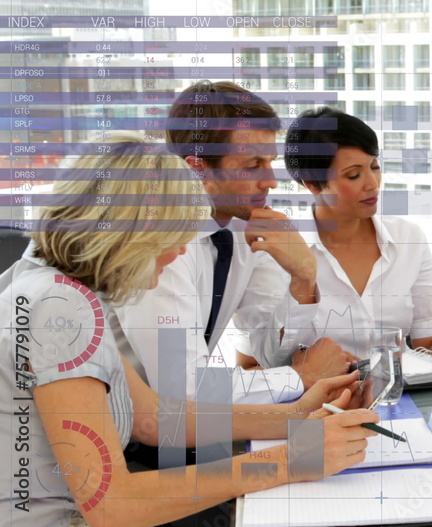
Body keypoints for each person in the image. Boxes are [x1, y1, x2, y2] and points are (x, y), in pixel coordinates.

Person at [0, 133, 378, 527]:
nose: (181, 251)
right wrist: (288, 460)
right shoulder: (57, 311)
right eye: (172, 234)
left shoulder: (64, 292)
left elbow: (155, 418)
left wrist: (297, 414)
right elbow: (114, 505)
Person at [114, 81, 351, 406]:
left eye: (270, 163)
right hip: (120, 434)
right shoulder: (159, 243)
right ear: (198, 171)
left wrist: (304, 277)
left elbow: (270, 354)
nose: (269, 181)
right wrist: (300, 377)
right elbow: (180, 388)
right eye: (252, 166)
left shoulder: (247, 228)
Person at [245, 106, 432, 370]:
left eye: (374, 166)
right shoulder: (275, 250)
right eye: (354, 174)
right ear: (312, 184)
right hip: (318, 404)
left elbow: (429, 343)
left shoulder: (408, 238)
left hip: (399, 398)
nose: (372, 183)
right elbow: (256, 363)